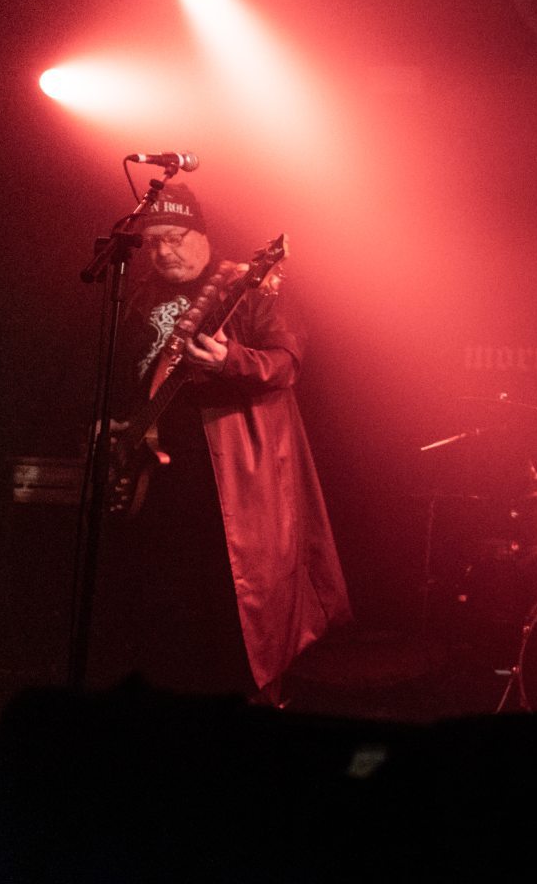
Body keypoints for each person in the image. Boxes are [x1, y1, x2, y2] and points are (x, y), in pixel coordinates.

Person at [93, 181, 352, 704]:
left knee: (229, 596)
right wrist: (114, 422)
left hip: (230, 471)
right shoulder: (139, 293)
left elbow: (286, 363)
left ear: (202, 233)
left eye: (176, 237)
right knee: (160, 595)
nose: (164, 250)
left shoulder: (250, 286)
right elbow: (128, 373)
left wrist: (228, 360)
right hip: (153, 467)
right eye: (155, 241)